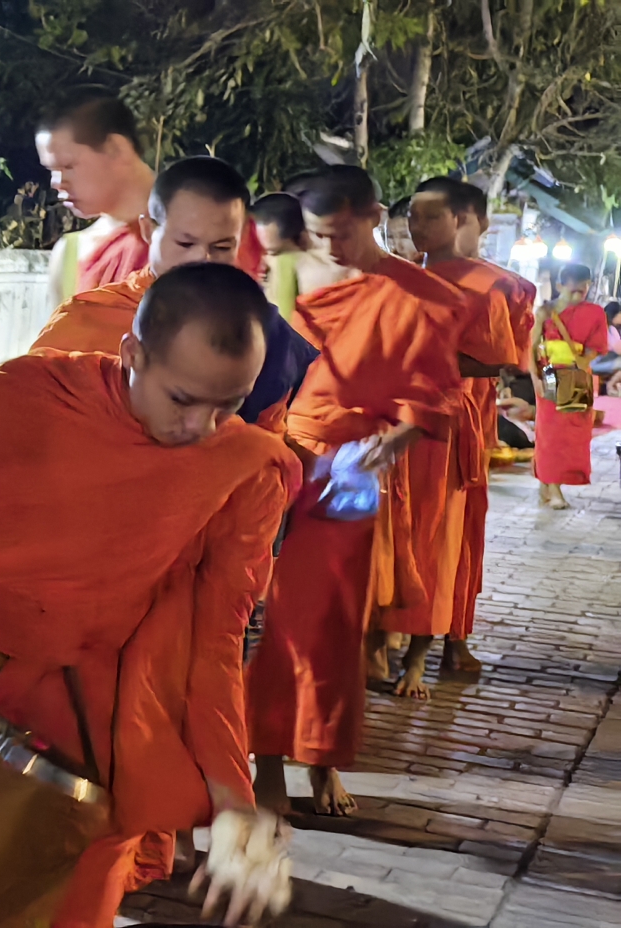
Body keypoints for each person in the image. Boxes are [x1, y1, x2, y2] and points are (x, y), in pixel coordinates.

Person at [0, 263, 300, 928]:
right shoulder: (30, 398)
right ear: (133, 354)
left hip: (104, 731)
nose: (202, 428)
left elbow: (213, 641)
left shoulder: (247, 470)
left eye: (229, 405)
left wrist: (232, 800)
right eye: (182, 400)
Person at [247, 166, 465, 817]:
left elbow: (432, 400)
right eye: (319, 235)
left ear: (374, 216)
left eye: (342, 233)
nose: (332, 248)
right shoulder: (285, 277)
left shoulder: (411, 295)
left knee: (325, 631)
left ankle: (317, 762)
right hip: (268, 456)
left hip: (346, 479)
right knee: (252, 623)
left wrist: (380, 452)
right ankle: (260, 766)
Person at [35, 156, 318, 430]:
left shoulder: (258, 326)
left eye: (222, 247)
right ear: (148, 230)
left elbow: (309, 419)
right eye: (185, 243)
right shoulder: (85, 321)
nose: (203, 260)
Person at [402, 178, 535, 683]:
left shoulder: (500, 286)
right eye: (411, 217)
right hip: (397, 418)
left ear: (464, 219)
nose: (415, 227)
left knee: (449, 533)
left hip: (456, 425)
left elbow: (501, 361)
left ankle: (451, 637)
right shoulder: (400, 277)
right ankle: (397, 636)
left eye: (428, 216)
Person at [38, 92, 157, 310]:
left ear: (116, 148)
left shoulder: (200, 234)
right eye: (51, 170)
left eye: (68, 166)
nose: (56, 182)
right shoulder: (69, 255)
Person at [532, 263, 610, 509]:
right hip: (550, 374)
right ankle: (553, 487)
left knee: (574, 433)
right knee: (550, 431)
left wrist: (581, 363)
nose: (579, 295)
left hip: (577, 376)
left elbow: (595, 348)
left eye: (583, 290)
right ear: (559, 286)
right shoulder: (545, 311)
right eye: (573, 290)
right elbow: (532, 347)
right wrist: (535, 378)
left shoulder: (596, 312)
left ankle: (547, 483)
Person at [252, 192, 353, 318]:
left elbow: (282, 327)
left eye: (273, 253)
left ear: (306, 235)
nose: (265, 262)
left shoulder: (286, 263)